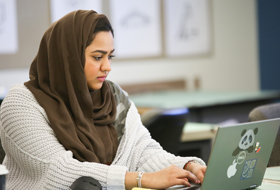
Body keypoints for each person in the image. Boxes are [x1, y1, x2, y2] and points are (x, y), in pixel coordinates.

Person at [0, 10, 206, 190]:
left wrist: (188, 166)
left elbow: (143, 152)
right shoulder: (22, 104)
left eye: (110, 57)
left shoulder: (113, 97)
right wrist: (143, 180)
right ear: (68, 57)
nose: (107, 67)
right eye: (98, 57)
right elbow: (58, 172)